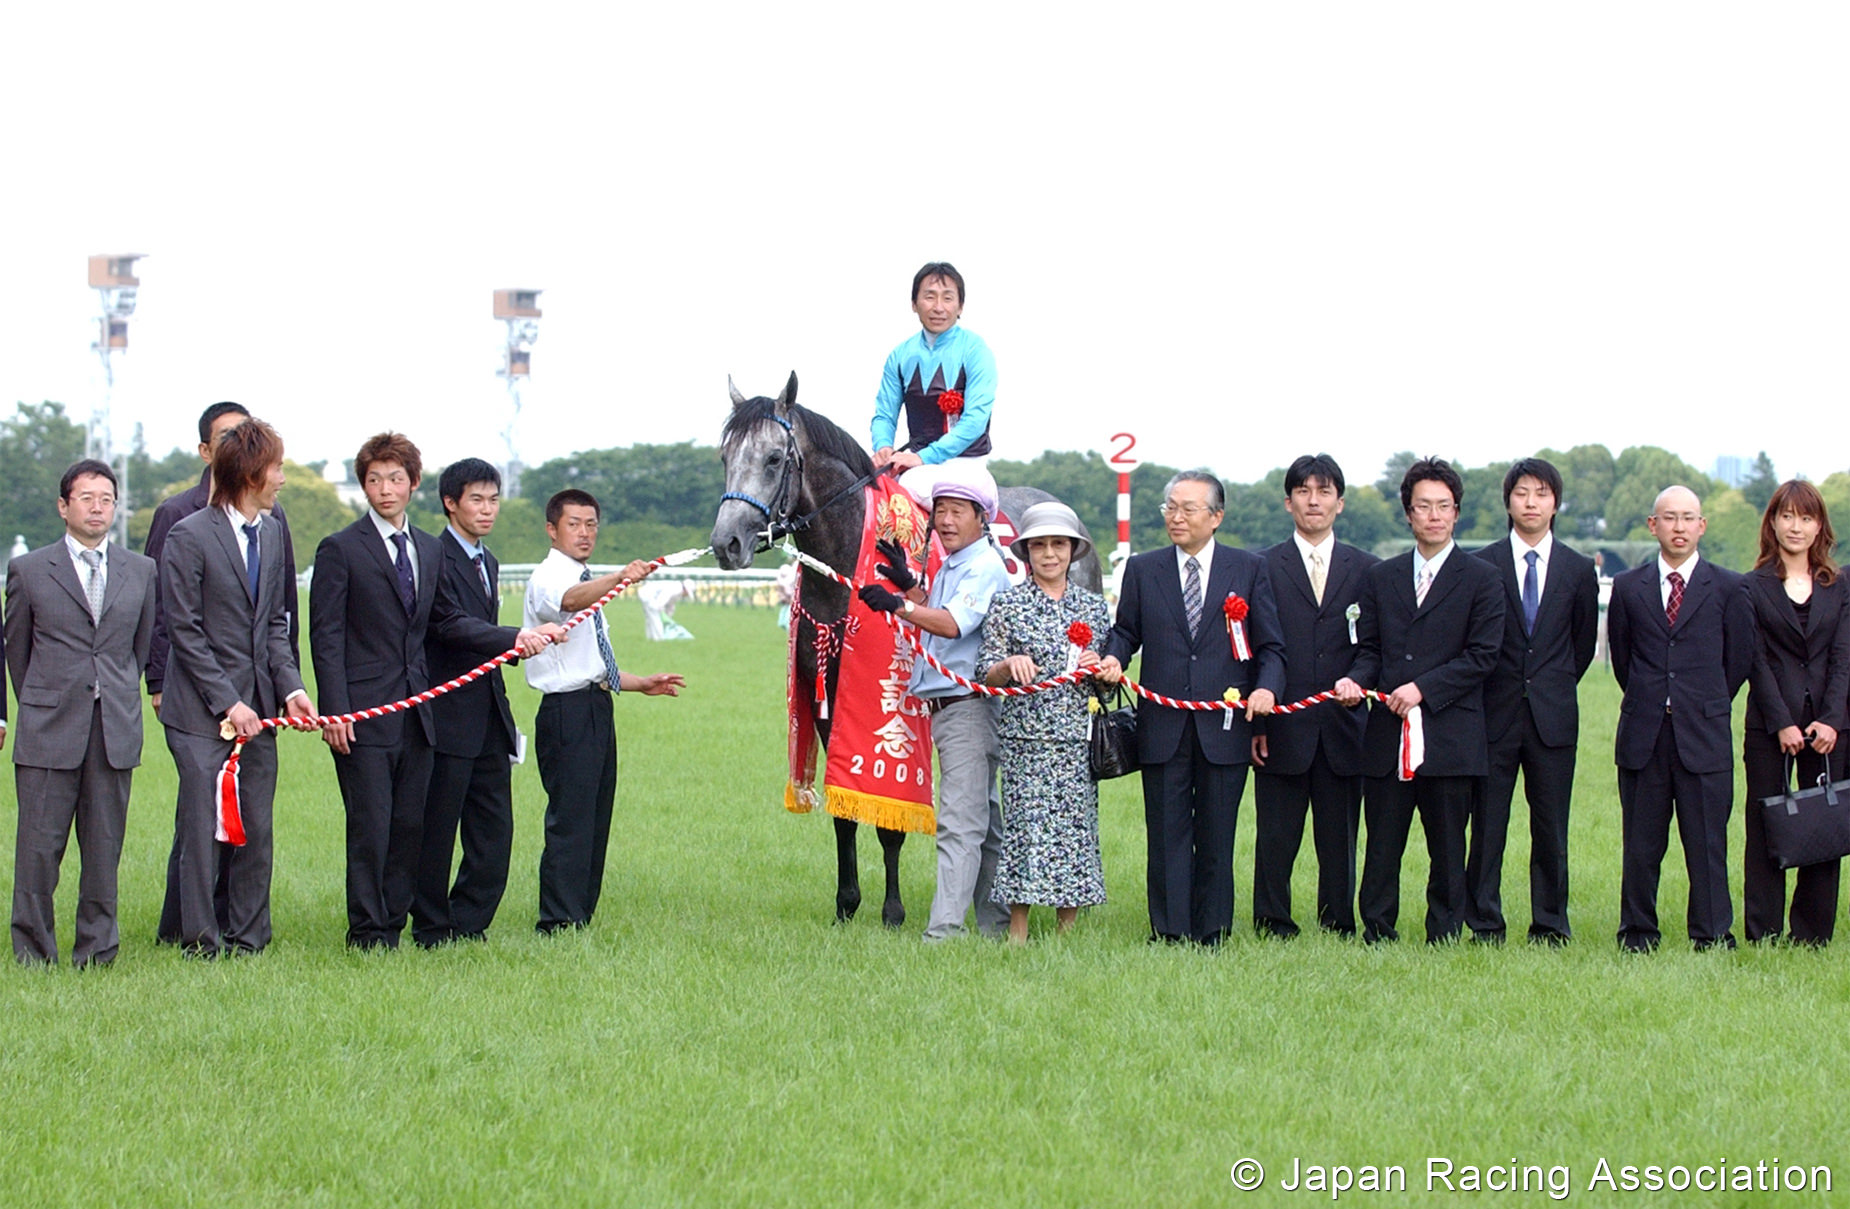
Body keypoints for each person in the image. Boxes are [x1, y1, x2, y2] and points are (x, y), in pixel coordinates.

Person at [1097, 470, 1284, 946]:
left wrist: (1266, 692)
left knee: (1218, 835)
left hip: (1225, 725)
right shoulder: (1143, 568)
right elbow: (1126, 632)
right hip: (1163, 724)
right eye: (1169, 508)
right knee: (1166, 833)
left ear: (1216, 516)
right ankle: (1170, 929)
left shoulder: (1248, 569)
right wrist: (1114, 656)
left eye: (1188, 509)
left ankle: (1213, 930)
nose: (1176, 518)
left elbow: (1272, 647)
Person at [159, 418, 318, 957]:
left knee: (256, 826)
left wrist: (291, 689)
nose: (281, 478)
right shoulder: (188, 535)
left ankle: (250, 937)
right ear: (251, 473)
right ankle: (202, 941)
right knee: (203, 831)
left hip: (261, 712)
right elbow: (185, 630)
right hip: (199, 714)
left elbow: (274, 622)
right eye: (275, 467)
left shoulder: (273, 532)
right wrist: (229, 701)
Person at [1335, 457, 1503, 945]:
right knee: (1383, 840)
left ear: (1457, 514)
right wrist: (1353, 682)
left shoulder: (1482, 578)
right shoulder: (1380, 577)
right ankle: (1378, 929)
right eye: (1423, 506)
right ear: (1408, 514)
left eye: (1443, 506)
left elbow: (1483, 655)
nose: (1433, 515)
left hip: (1451, 733)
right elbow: (1369, 649)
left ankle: (1445, 930)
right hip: (1387, 731)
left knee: (1449, 842)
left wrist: (1424, 689)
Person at [7, 460, 157, 966]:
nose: (97, 507)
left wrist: (109, 690)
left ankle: (97, 951)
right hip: (48, 728)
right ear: (63, 505)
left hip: (113, 727)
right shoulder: (29, 570)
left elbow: (139, 649)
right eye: (86, 497)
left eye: (107, 498)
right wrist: (47, 697)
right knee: (38, 850)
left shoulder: (142, 571)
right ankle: (33, 951)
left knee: (103, 850)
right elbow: (18, 653)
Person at [857, 460, 1012, 941]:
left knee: (960, 825)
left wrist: (901, 606)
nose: (945, 520)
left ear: (981, 517)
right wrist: (908, 585)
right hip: (954, 707)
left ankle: (944, 932)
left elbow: (950, 624)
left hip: (966, 707)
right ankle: (995, 924)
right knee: (983, 824)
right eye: (940, 510)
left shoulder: (984, 566)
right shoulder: (962, 563)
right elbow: (941, 611)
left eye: (957, 511)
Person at [411, 460, 560, 947]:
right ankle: (433, 928)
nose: (487, 509)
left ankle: (468, 924)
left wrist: (511, 643)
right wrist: (514, 638)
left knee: (493, 835)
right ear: (450, 503)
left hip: (490, 716)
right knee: (437, 832)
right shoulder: (430, 555)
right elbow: (447, 624)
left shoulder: (488, 561)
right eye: (477, 499)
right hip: (447, 715)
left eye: (493, 499)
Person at [523, 489, 684, 933]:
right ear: (552, 529)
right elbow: (570, 601)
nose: (584, 533)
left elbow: (594, 664)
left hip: (595, 705)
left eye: (591, 524)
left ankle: (579, 916)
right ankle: (557, 921)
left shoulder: (585, 576)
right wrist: (620, 578)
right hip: (565, 712)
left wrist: (640, 684)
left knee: (595, 816)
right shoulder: (550, 577)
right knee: (571, 819)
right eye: (573, 524)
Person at [1606, 485, 1756, 951]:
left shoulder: (1730, 588)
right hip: (1644, 732)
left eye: (1688, 518)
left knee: (1708, 842)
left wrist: (1700, 701)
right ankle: (1638, 933)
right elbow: (1623, 658)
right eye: (1669, 518)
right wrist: (1657, 697)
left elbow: (1738, 661)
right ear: (1653, 525)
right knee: (1641, 844)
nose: (1679, 527)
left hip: (1704, 732)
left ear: (1702, 525)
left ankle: (1712, 934)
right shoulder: (1630, 588)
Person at [310, 433, 443, 950]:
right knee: (371, 827)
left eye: (394, 478)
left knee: (410, 825)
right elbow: (326, 636)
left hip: (418, 712)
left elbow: (438, 627)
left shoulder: (429, 549)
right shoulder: (340, 548)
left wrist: (514, 641)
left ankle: (394, 921)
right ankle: (367, 931)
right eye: (373, 479)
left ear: (413, 482)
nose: (384, 489)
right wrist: (335, 712)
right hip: (363, 715)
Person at [1468, 458, 1600, 944]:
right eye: (1522, 493)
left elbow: (1580, 646)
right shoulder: (1480, 564)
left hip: (1552, 719)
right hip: (1492, 715)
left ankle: (1549, 923)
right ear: (1508, 501)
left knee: (1551, 831)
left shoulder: (1578, 568)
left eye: (1542, 494)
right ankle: (1484, 922)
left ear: (1556, 504)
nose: (1531, 502)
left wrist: (1551, 684)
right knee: (1487, 828)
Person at [1250, 454, 1378, 938]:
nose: (1314, 501)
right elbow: (1258, 650)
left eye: (1324, 492)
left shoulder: (1368, 569)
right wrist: (1258, 723)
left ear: (1340, 504)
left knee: (1340, 836)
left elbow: (1374, 646)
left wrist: (1360, 681)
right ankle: (1272, 920)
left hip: (1346, 725)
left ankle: (1339, 921)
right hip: (1282, 724)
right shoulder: (1262, 566)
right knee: (1276, 835)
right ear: (1288, 502)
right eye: (1304, 491)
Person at [975, 502, 1111, 944]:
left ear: (1074, 550)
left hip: (1074, 738)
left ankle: (1066, 929)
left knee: (1073, 833)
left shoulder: (1092, 608)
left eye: (1058, 544)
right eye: (1039, 545)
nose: (1049, 554)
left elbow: (1105, 690)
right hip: (1023, 738)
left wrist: (1099, 668)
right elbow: (984, 675)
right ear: (1025, 552)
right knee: (1024, 832)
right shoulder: (1008, 605)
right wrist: (1007, 664)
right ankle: (1017, 928)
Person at [1742, 480, 1849, 945]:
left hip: (1830, 726)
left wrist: (1830, 719)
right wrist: (1782, 721)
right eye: (1787, 516)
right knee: (1766, 822)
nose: (1796, 526)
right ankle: (1763, 930)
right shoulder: (1751, 586)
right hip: (1770, 724)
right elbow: (1755, 660)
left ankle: (1810, 934)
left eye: (1806, 518)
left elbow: (1844, 656)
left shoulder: (1839, 585)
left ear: (1820, 526)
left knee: (1823, 825)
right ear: (1772, 522)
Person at [869, 262, 997, 500]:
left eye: (947, 298)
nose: (938, 307)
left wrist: (923, 458)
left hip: (965, 463)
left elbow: (975, 421)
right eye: (930, 297)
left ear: (960, 307)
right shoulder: (900, 355)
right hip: (915, 462)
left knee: (909, 486)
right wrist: (884, 447)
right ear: (914, 304)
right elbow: (884, 415)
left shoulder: (976, 350)